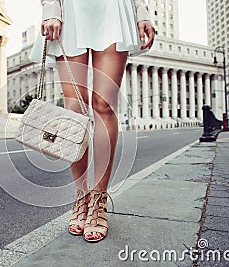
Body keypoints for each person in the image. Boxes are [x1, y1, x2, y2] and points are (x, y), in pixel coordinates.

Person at [34, 0, 155, 242]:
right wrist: (51, 10)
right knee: (74, 109)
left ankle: (99, 198)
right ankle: (81, 194)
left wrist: (142, 13)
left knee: (104, 106)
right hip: (71, 9)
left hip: (112, 8)